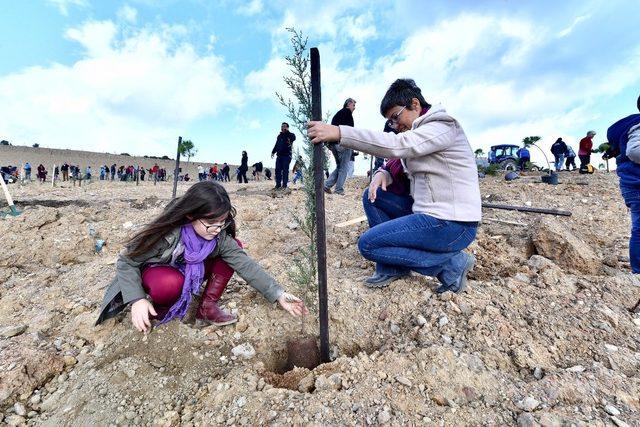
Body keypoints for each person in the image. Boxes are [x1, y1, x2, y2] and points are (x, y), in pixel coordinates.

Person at [308, 79, 480, 293]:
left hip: (453, 224)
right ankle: (392, 267)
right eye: (391, 122)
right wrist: (384, 172)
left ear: (415, 105)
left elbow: (399, 146)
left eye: (395, 117)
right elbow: (397, 161)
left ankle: (451, 266)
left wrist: (341, 133)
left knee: (369, 244)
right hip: (430, 215)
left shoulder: (442, 126)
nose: (395, 126)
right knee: (374, 196)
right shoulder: (420, 133)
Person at [95, 181, 308, 331]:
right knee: (169, 284)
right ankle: (160, 309)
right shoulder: (165, 232)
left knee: (235, 248)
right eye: (211, 223)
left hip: (187, 271)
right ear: (191, 215)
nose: (217, 229)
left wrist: (278, 293)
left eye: (222, 223)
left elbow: (245, 264)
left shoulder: (219, 236)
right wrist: (137, 300)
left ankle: (206, 307)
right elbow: (127, 260)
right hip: (157, 274)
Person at [609, 95, 640, 276]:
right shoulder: (639, 125)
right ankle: (637, 272)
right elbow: (634, 151)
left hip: (632, 184)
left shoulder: (630, 126)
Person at [325, 98, 356, 195]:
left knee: (340, 166)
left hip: (334, 144)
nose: (354, 108)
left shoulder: (338, 114)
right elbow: (349, 131)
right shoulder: (347, 113)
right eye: (354, 105)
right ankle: (338, 190)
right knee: (344, 168)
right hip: (343, 143)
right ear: (349, 104)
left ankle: (326, 186)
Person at [271, 123, 296, 190]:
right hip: (279, 156)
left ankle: (284, 185)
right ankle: (278, 185)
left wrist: (287, 132)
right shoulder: (279, 136)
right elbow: (276, 145)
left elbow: (293, 138)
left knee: (285, 171)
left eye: (284, 126)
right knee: (277, 170)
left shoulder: (290, 135)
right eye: (282, 126)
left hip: (287, 156)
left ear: (287, 127)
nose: (282, 127)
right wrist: (273, 152)